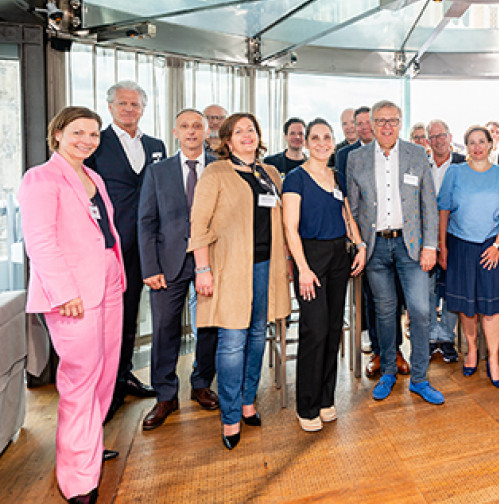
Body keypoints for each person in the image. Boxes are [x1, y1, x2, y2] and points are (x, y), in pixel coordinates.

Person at [21, 107, 126, 504]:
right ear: (58, 134)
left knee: (105, 373)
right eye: (78, 132)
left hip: (108, 282)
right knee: (80, 378)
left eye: (94, 134)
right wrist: (64, 293)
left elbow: (103, 230)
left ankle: (88, 445)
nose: (87, 140)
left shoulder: (93, 177)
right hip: (72, 293)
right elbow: (41, 242)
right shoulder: (41, 178)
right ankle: (77, 477)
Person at [188, 112, 291, 450]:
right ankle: (230, 416)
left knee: (258, 335)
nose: (247, 135)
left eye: (252, 129)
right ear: (228, 141)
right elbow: (198, 225)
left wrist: (288, 261)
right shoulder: (215, 172)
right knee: (233, 341)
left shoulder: (269, 173)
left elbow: (282, 222)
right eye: (239, 131)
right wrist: (202, 269)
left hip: (266, 267)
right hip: (229, 269)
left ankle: (248, 401)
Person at [346, 100, 444, 404]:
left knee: (421, 310)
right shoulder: (356, 158)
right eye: (381, 121)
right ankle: (388, 370)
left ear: (400, 123)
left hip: (411, 247)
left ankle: (420, 378)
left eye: (393, 120)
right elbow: (352, 209)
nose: (387, 126)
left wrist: (430, 246)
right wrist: (359, 245)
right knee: (385, 312)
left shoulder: (417, 153)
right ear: (372, 125)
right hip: (374, 248)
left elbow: (429, 204)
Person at [86, 80, 165, 422]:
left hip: (146, 242)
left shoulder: (156, 145)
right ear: (110, 107)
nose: (129, 109)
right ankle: (108, 388)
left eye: (135, 104)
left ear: (143, 109)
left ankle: (124, 375)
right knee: (108, 317)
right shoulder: (96, 143)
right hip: (110, 243)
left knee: (132, 311)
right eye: (123, 104)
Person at [137, 109, 219, 431]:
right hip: (166, 264)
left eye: (197, 126)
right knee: (164, 329)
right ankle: (165, 395)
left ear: (206, 132)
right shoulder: (157, 172)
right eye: (185, 126)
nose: (191, 131)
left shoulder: (220, 168)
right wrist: (150, 267)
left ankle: (201, 384)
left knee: (208, 327)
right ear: (175, 132)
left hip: (210, 261)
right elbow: (146, 222)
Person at [283, 118, 367, 431]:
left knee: (332, 329)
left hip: (338, 257)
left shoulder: (337, 176)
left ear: (333, 142)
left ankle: (325, 399)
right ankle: (306, 407)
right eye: (315, 138)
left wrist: (360, 244)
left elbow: (346, 215)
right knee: (314, 330)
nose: (322, 143)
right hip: (311, 257)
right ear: (306, 143)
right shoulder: (296, 179)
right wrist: (302, 268)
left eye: (327, 137)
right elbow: (290, 227)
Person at [438, 126, 499, 389]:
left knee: (491, 309)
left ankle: (493, 359)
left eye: (482, 141)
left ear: (491, 144)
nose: (477, 147)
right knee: (466, 306)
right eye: (472, 142)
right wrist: (442, 246)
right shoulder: (455, 172)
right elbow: (443, 210)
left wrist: (498, 245)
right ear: (466, 147)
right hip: (460, 245)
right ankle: (471, 350)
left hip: (491, 246)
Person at [427, 119, 465, 363]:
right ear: (428, 141)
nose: (438, 141)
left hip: (456, 234)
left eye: (442, 135)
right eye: (433, 137)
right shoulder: (421, 164)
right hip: (427, 235)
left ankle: (447, 336)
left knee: (453, 288)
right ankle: (432, 336)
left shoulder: (464, 164)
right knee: (428, 289)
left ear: (450, 137)